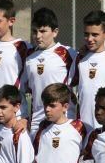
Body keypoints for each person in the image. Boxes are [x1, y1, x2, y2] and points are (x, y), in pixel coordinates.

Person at [24, 8, 76, 137]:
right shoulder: (29, 57)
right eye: (35, 31)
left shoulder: (68, 54)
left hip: (64, 119)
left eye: (43, 31)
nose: (38, 36)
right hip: (38, 121)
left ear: (55, 32)